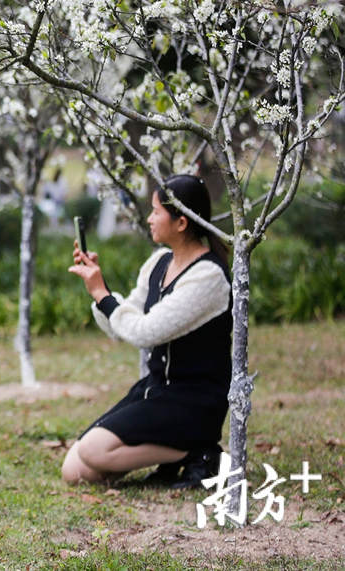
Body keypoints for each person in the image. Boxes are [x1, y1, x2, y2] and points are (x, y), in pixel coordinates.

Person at [62, 174, 232, 488]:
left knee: (93, 451)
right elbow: (123, 327)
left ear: (181, 223)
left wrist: (103, 294)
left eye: (155, 211)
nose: (149, 218)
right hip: (155, 390)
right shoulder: (159, 263)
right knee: (74, 471)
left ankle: (196, 450)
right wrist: (99, 290)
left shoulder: (208, 276)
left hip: (193, 401)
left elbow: (145, 332)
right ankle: (178, 454)